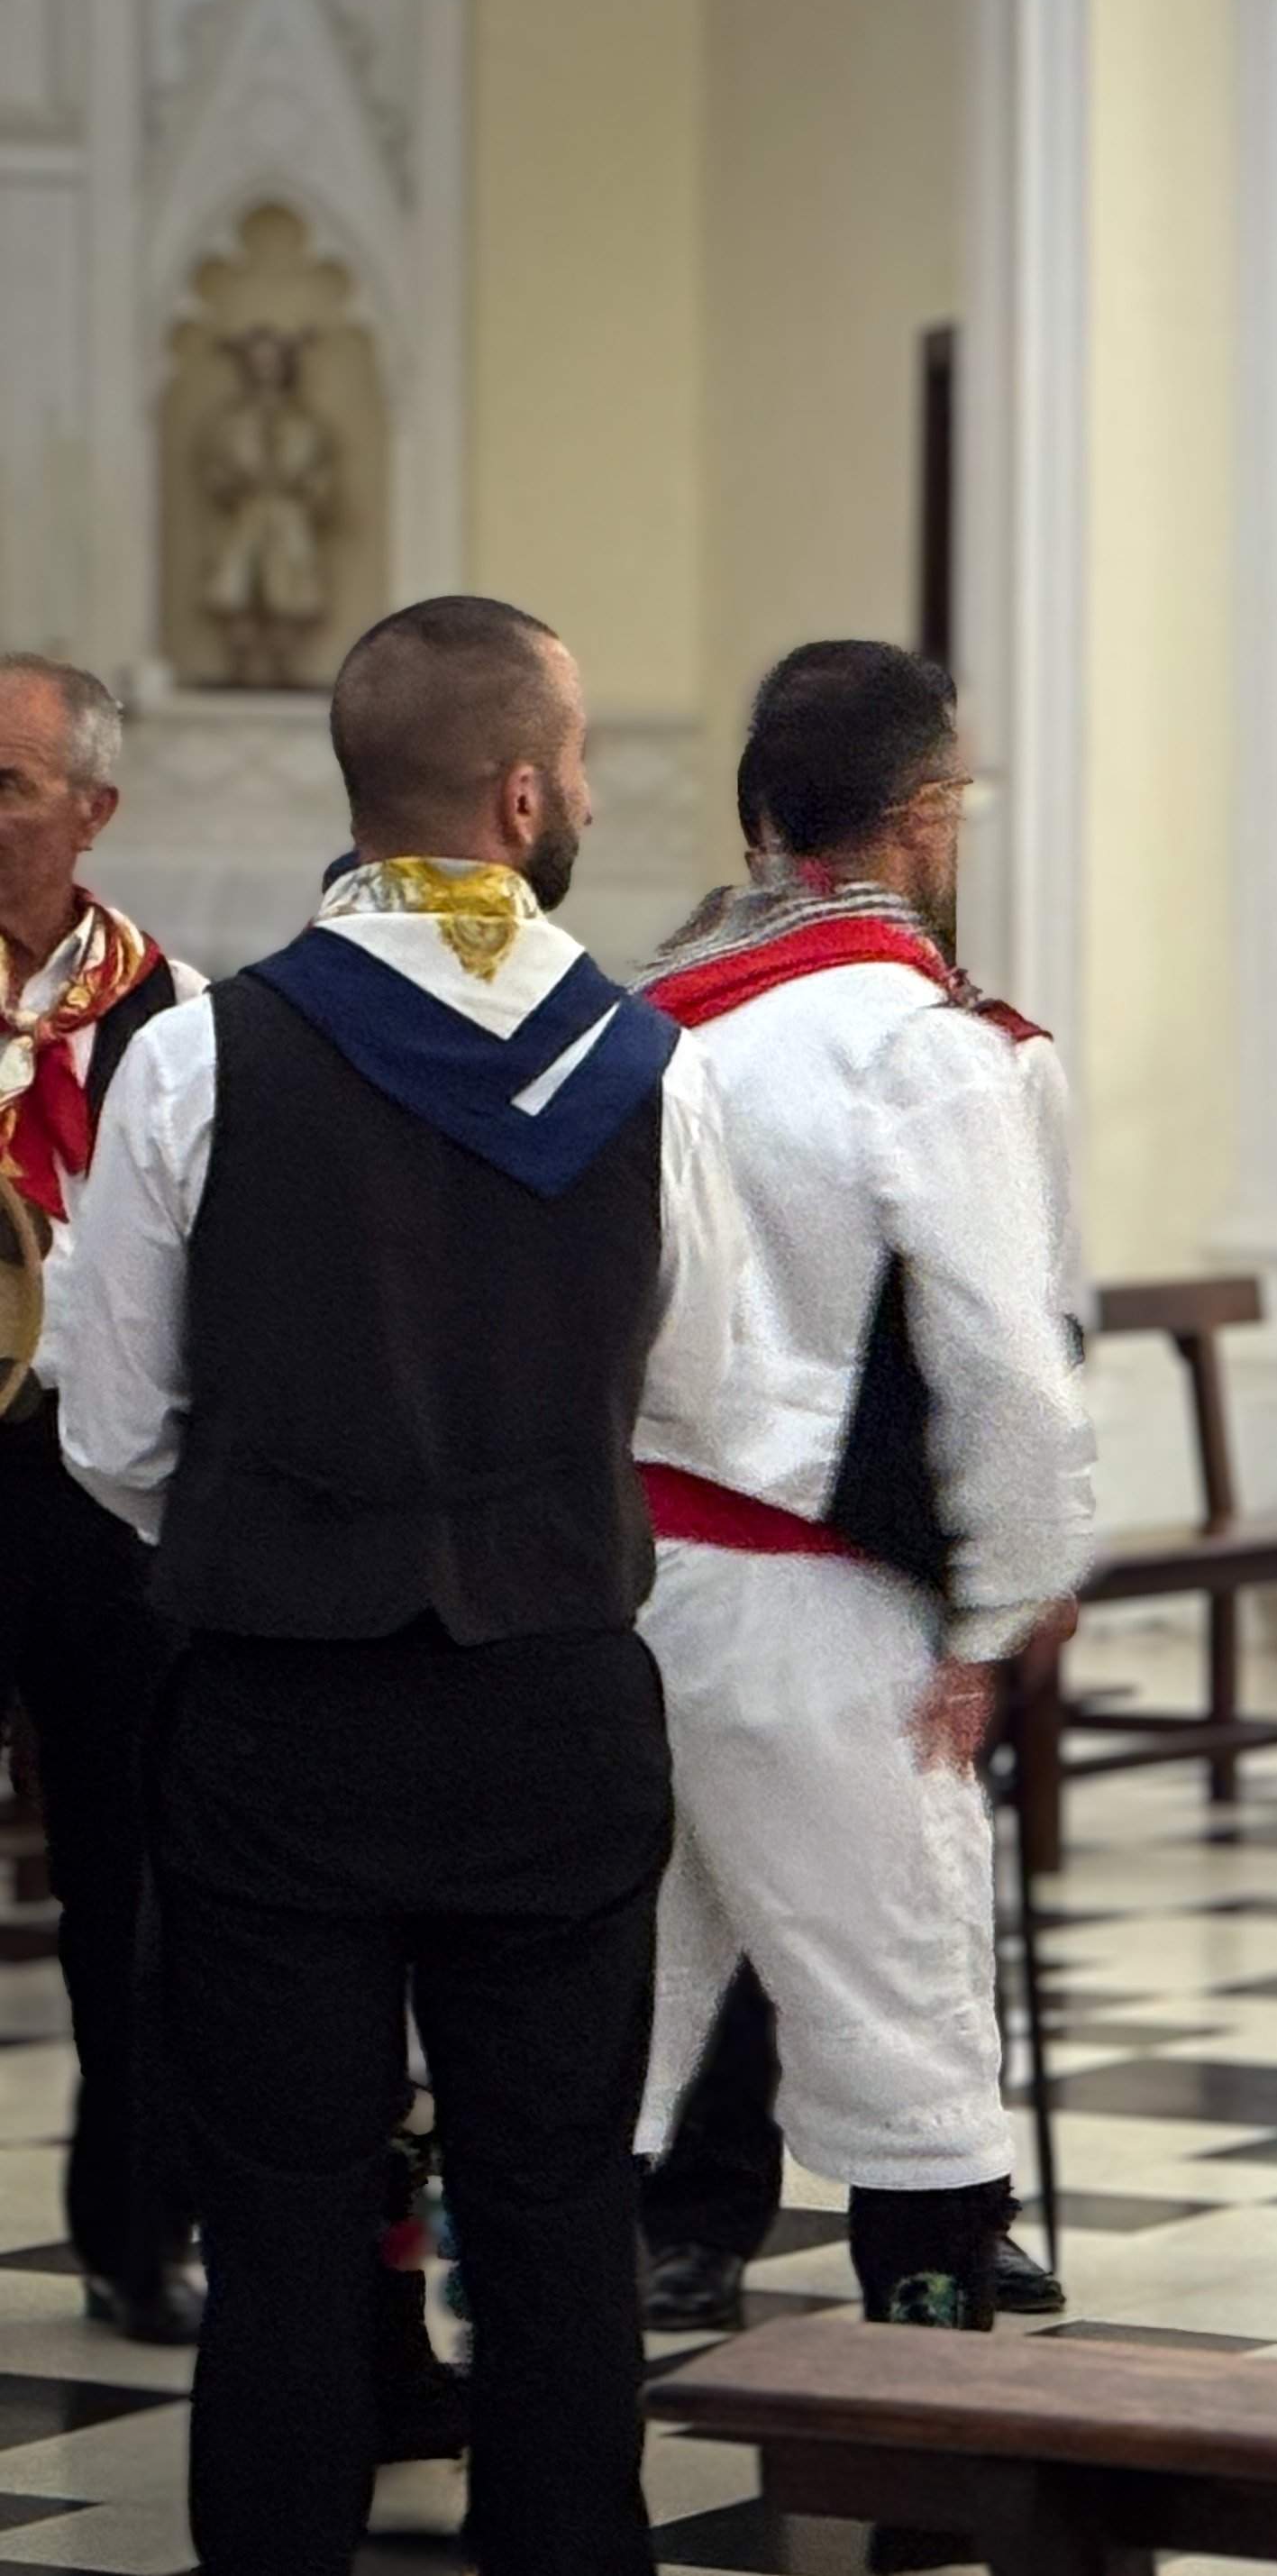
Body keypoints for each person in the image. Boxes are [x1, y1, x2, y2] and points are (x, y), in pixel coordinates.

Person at [44, 595, 744, 2571]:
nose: (590, 789)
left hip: (282, 1704)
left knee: (279, 2222)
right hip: (549, 1696)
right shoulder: (655, 1070)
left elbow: (110, 1427)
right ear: (525, 798)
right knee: (553, 2216)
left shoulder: (202, 1053)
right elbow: (697, 1391)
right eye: (584, 758)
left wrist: (293, 1519)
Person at [630, 641, 1092, 2361]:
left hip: (619, 1583)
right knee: (903, 2034)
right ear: (925, 814)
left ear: (762, 817)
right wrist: (1001, 1603)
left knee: (614, 2025)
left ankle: (547, 2424)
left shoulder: (645, 1016)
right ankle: (930, 2468)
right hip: (823, 1604)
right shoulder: (920, 1048)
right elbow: (1007, 1367)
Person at [0, 656, 203, 2349]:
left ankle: (140, 2230)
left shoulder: (171, 1018)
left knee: (132, 1875)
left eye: (5, 785)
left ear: (90, 811)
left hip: (89, 1482)